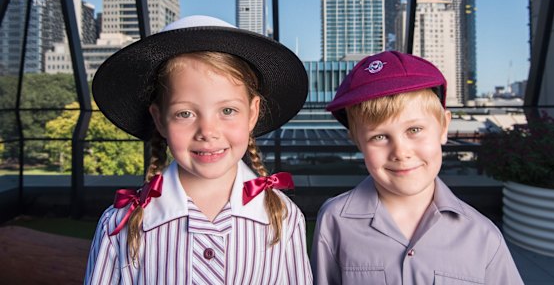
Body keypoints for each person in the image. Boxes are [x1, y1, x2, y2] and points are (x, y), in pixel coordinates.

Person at [85, 15, 313, 284]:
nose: (207, 131)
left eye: (227, 110)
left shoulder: (284, 217)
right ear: (159, 119)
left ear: (252, 114)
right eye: (185, 113)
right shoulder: (119, 223)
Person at [311, 51, 523, 284]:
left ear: (443, 128)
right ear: (357, 141)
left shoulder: (483, 236)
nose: (401, 152)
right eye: (379, 136)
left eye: (414, 130)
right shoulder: (334, 221)